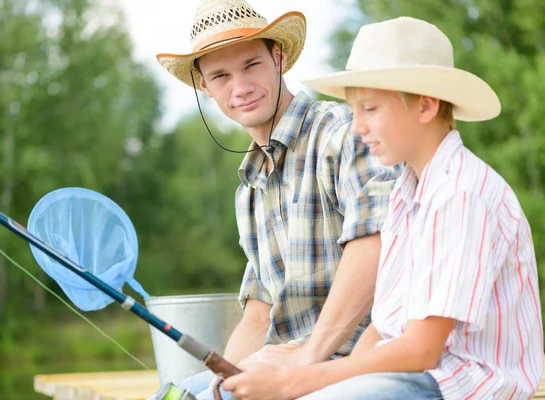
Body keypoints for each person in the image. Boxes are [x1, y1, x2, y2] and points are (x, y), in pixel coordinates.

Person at [218, 16, 544, 400]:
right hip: (409, 375)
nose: (356, 127)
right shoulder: (409, 193)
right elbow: (382, 328)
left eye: (369, 109)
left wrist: (295, 380)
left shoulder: (460, 192)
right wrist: (319, 379)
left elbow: (422, 349)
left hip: (458, 383)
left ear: (425, 106)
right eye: (354, 111)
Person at [156, 0, 399, 398]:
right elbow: (258, 315)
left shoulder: (341, 133)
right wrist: (227, 382)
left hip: (363, 366)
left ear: (278, 57)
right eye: (220, 75)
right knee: (178, 394)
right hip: (285, 366)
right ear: (204, 86)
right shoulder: (249, 190)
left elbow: (376, 242)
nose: (241, 88)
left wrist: (305, 361)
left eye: (252, 65)